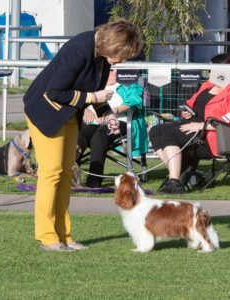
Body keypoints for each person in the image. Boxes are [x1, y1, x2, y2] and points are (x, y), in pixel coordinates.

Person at [23, 19, 142, 251]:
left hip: (69, 114)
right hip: (46, 112)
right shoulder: (80, 48)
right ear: (112, 44)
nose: (123, 61)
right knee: (51, 173)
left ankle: (64, 236)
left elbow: (96, 92)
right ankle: (47, 238)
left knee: (67, 172)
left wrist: (107, 114)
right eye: (123, 54)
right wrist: (91, 99)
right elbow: (56, 91)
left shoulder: (102, 56)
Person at [149, 54, 230, 194]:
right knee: (156, 130)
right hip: (192, 127)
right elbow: (191, 103)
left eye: (212, 68)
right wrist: (187, 112)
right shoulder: (208, 85)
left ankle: (174, 182)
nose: (209, 71)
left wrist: (201, 126)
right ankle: (180, 175)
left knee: (169, 134)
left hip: (213, 137)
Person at [76, 69, 148, 188]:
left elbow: (135, 100)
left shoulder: (128, 84)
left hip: (120, 122)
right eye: (110, 70)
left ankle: (93, 181)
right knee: (80, 134)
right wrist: (87, 111)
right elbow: (81, 99)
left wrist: (108, 114)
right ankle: (71, 179)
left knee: (99, 136)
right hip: (93, 120)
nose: (115, 73)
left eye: (117, 70)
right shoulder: (96, 85)